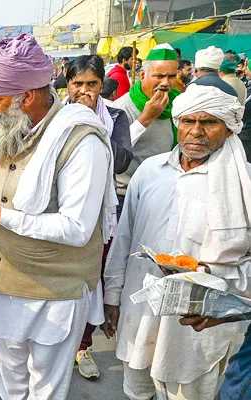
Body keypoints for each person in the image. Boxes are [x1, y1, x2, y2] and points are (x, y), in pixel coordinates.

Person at [0, 33, 116, 400]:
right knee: (11, 378)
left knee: (46, 387)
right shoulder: (19, 124)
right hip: (8, 279)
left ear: (26, 97)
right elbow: (2, 171)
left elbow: (75, 229)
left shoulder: (79, 140)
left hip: (54, 292)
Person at [104, 80, 247, 400]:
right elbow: (124, 237)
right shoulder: (150, 171)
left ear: (229, 128)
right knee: (138, 392)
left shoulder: (243, 185)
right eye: (188, 121)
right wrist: (112, 295)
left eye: (209, 122)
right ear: (177, 123)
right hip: (140, 313)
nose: (196, 131)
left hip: (198, 325)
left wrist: (208, 273)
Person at [65, 54, 133, 380]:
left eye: (91, 84)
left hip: (101, 216)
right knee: (64, 281)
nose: (83, 91)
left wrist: (92, 125)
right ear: (67, 85)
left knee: (93, 281)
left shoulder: (115, 117)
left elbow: (121, 162)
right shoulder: (55, 116)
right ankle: (59, 343)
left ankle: (83, 345)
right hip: (62, 214)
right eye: (77, 84)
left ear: (101, 85)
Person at [113, 44, 180, 206]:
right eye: (159, 76)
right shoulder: (122, 108)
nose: (165, 83)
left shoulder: (178, 104)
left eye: (171, 76)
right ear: (142, 75)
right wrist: (145, 119)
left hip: (165, 190)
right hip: (127, 194)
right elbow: (114, 154)